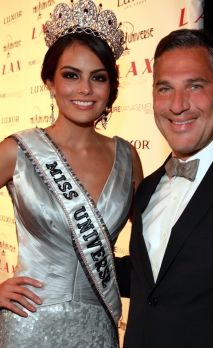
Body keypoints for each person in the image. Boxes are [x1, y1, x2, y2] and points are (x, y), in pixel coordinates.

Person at [0, 1, 143, 347]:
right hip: (29, 326)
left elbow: (149, 248)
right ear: (49, 81)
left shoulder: (127, 156)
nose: (84, 89)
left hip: (99, 329)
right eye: (71, 75)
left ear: (110, 88)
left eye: (98, 77)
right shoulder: (16, 151)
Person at [118, 29, 213, 347]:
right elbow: (154, 280)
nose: (177, 105)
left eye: (195, 86)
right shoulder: (147, 188)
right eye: (165, 88)